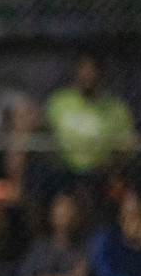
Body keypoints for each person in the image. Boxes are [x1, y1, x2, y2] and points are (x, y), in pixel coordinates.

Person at [46, 55, 135, 184]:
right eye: (84, 70)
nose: (87, 76)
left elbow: (128, 147)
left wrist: (113, 166)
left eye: (92, 71)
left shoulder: (115, 108)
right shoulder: (59, 101)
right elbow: (42, 133)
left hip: (104, 173)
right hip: (65, 172)